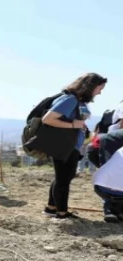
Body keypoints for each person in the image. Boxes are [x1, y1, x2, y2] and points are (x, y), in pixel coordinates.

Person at [41, 73, 106, 219]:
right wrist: (73, 124)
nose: (99, 92)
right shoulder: (69, 99)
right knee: (63, 179)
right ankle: (62, 213)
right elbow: (48, 119)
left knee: (64, 177)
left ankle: (51, 208)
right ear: (90, 86)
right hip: (63, 145)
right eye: (99, 88)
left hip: (71, 145)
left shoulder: (78, 101)